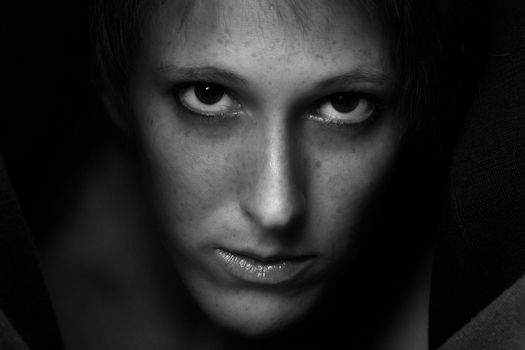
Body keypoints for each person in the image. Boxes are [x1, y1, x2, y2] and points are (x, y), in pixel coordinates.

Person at [1, 0, 468, 349]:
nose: (275, 207)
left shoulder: (477, 316)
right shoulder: (27, 292)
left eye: (344, 105)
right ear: (115, 90)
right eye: (209, 95)